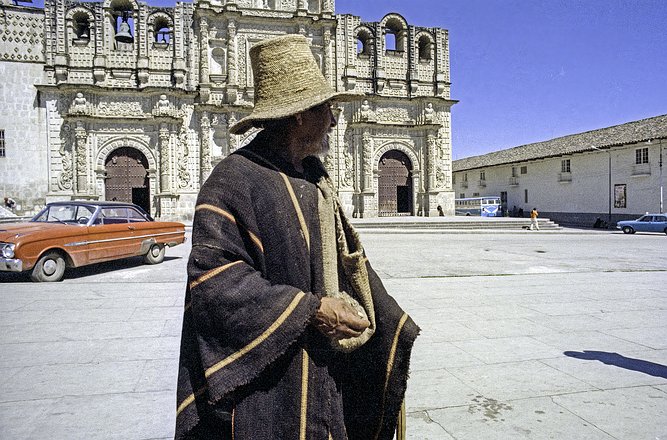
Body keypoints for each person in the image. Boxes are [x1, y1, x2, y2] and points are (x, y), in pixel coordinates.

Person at [175, 34, 419, 440]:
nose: (336, 121)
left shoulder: (314, 180)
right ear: (300, 115)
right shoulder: (234, 180)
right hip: (266, 395)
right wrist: (313, 310)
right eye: (328, 108)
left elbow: (345, 264)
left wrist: (392, 328)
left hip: (326, 383)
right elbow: (213, 280)